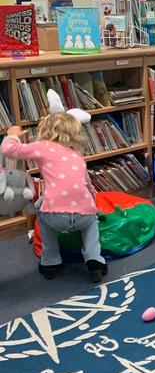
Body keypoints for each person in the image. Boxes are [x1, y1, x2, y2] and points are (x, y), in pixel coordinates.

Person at [2, 111, 108, 283]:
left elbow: (9, 150)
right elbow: (88, 185)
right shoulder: (77, 155)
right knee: (92, 221)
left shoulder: (43, 146)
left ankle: (50, 262)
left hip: (55, 217)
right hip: (84, 216)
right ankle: (94, 260)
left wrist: (12, 135)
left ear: (45, 130)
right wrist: (93, 201)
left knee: (40, 208)